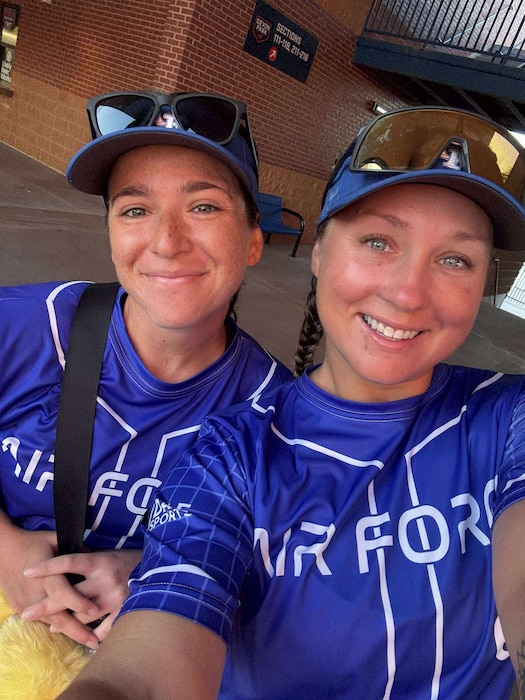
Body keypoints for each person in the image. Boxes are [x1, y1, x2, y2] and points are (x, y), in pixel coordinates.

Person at [58, 106, 525, 699]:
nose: (408, 293)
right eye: (378, 241)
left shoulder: (509, 417)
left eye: (456, 259)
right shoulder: (226, 454)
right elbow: (145, 669)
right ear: (320, 253)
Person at [0, 89, 291, 651]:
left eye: (203, 206)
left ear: (254, 240)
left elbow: (274, 573)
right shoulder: (25, 327)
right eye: (135, 209)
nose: (166, 241)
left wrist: (150, 572)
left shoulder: (274, 416)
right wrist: (6, 548)